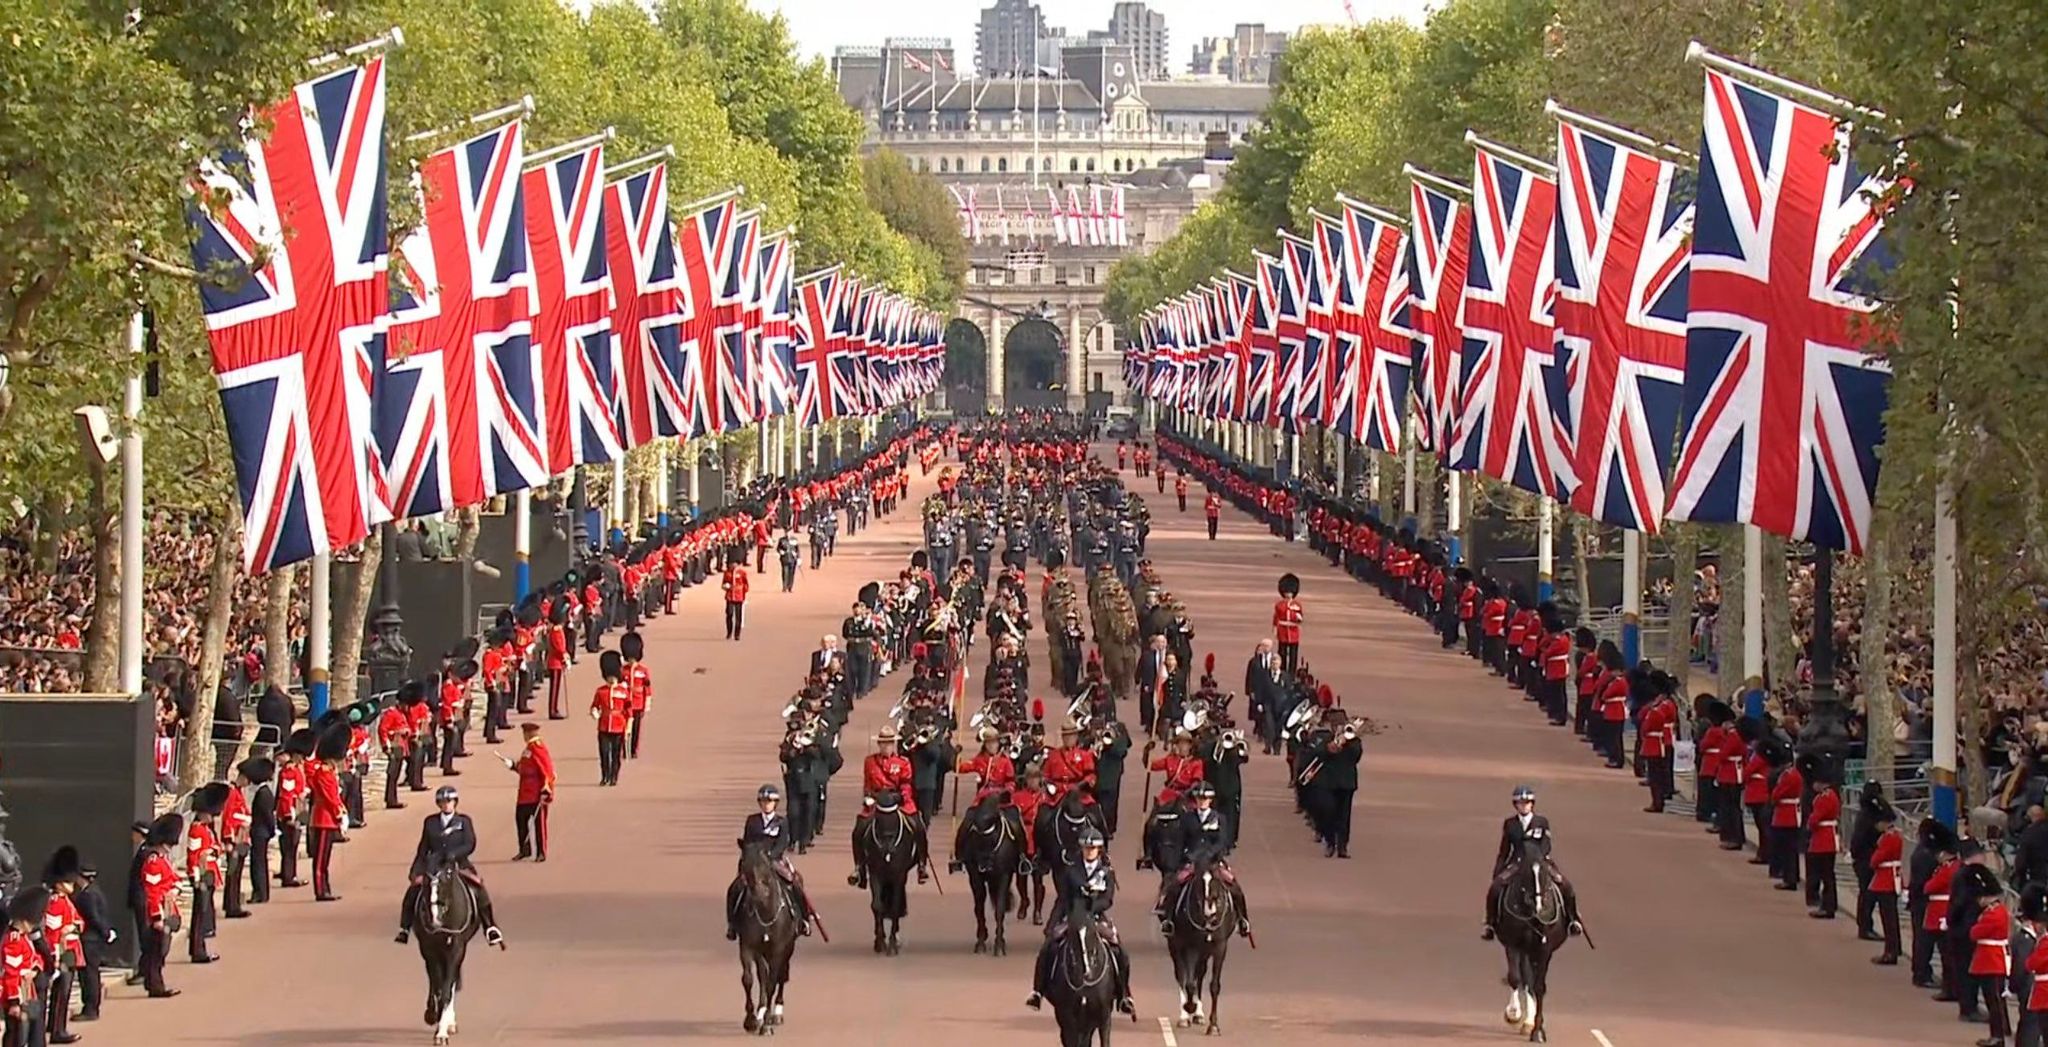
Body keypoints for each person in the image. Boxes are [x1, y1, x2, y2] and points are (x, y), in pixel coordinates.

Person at [1026, 827, 1133, 1016]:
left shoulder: (1106, 872)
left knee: (1119, 950)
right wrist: (1053, 923)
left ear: (1099, 850)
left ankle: (1124, 994)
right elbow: (1063, 898)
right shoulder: (1071, 871)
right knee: (1048, 947)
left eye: (1092, 849)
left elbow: (1108, 899)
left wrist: (1091, 907)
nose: (1089, 852)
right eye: (1085, 848)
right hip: (1073, 916)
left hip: (1096, 918)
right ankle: (1037, 991)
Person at [394, 786, 505, 950]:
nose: (446, 805)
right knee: (413, 892)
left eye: (449, 802)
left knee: (479, 889)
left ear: (455, 803)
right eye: (442, 802)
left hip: (458, 863)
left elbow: (470, 843)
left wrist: (454, 853)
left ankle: (490, 927)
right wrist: (416, 869)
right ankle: (404, 928)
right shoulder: (430, 822)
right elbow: (423, 848)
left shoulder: (464, 821)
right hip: (435, 864)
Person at [1482, 785, 1581, 941]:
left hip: (1540, 861)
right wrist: (1498, 871)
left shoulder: (1541, 822)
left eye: (1527, 802)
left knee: (1566, 886)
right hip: (1518, 863)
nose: (1524, 806)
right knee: (1495, 888)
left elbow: (1546, 844)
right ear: (1516, 805)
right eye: (1521, 803)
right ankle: (1490, 924)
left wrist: (1538, 857)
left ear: (1532, 804)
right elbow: (1504, 849)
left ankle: (1572, 920)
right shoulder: (1510, 824)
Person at [1152, 783, 1251, 935]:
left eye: (1205, 799)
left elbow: (1222, 841)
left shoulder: (1219, 818)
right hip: (1192, 862)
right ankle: (1168, 920)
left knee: (1234, 886)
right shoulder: (1187, 818)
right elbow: (1180, 840)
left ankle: (1243, 920)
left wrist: (1212, 853)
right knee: (1173, 885)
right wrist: (1181, 858)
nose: (1202, 801)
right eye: (1199, 798)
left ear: (1210, 800)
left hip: (1213, 862)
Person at [726, 785, 815, 940]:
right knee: (735, 888)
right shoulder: (752, 821)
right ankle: (732, 925)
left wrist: (770, 856)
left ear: (776, 804)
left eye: (770, 802)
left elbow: (782, 843)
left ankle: (804, 920)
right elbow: (748, 842)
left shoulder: (782, 822)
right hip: (754, 862)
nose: (766, 804)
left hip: (774, 860)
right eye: (763, 801)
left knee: (795, 882)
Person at [132, 814, 180, 998]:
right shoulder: (152, 862)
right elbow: (152, 894)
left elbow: (173, 880)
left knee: (160, 950)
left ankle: (155, 983)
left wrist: (175, 890)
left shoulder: (161, 859)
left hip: (166, 907)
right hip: (157, 912)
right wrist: (157, 918)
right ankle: (155, 986)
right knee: (155, 951)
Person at [1966, 864, 2012, 1046]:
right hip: (1988, 959)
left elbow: (1975, 933)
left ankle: (1999, 1036)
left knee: (1995, 1002)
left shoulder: (1995, 914)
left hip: (1993, 961)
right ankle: (1997, 1034)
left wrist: (1976, 927)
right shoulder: (1993, 911)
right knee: (1992, 1000)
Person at [185, 782, 228, 962]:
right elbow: (193, 856)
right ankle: (197, 951)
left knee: (204, 913)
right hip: (201, 874)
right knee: (199, 915)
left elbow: (214, 848)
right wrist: (195, 876)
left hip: (209, 873)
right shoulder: (196, 830)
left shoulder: (204, 829)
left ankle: (200, 948)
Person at [2, 886, 47, 1042]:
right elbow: (11, 972)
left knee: (24, 1033)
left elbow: (35, 959)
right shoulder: (13, 940)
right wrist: (14, 1002)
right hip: (17, 992)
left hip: (27, 989)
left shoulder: (22, 937)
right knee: (16, 1035)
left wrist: (34, 970)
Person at [508, 723, 556, 861]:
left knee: (539, 825)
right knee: (521, 820)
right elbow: (525, 767)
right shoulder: (528, 749)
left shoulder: (538, 748)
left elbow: (547, 771)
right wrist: (513, 766)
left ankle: (541, 852)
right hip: (524, 792)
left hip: (536, 792)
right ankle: (524, 849)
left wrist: (546, 789)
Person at [1867, 800, 1905, 965]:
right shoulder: (1894, 835)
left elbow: (1876, 859)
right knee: (1891, 917)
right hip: (1889, 877)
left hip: (1886, 879)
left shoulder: (1889, 838)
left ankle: (1890, 952)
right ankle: (1894, 947)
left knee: (1888, 918)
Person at [592, 650, 632, 786]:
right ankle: (605, 776)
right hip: (604, 725)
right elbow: (595, 706)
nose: (611, 679)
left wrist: (628, 727)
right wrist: (594, 712)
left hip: (618, 726)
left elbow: (628, 711)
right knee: (604, 753)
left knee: (616, 755)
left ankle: (614, 776)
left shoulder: (623, 692)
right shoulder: (600, 691)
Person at [1806, 771, 1842, 919]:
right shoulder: (1830, 795)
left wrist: (1810, 823)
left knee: (1826, 875)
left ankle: (1828, 907)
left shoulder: (1825, 798)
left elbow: (1815, 818)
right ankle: (1828, 905)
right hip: (1827, 837)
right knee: (1827, 875)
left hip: (1823, 839)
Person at [621, 631, 652, 759]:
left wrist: (647, 703)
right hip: (626, 703)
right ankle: (624, 748)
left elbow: (647, 688)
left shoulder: (643, 671)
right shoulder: (623, 671)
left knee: (636, 729)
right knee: (624, 727)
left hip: (638, 703)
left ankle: (634, 749)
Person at [1273, 574, 1303, 674]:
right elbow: (1276, 617)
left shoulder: (1297, 604)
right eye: (1286, 592)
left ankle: (1292, 672)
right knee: (1282, 652)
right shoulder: (1279, 604)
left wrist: (1298, 618)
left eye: (1290, 592)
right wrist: (1275, 628)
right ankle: (1282, 670)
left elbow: (1300, 617)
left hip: (1293, 631)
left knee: (1293, 654)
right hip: (1283, 631)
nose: (1288, 594)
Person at [722, 557, 750, 640]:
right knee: (729, 614)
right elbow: (723, 583)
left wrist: (743, 592)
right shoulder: (727, 573)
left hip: (739, 596)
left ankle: (737, 634)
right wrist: (725, 586)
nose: (732, 565)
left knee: (738, 616)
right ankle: (729, 632)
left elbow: (746, 584)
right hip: (730, 596)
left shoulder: (742, 573)